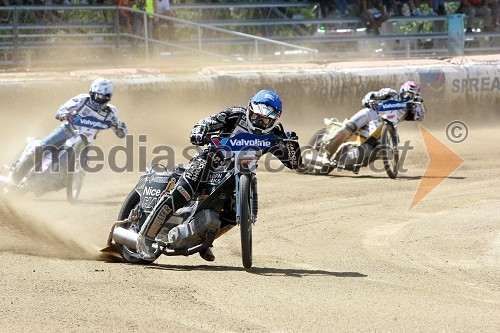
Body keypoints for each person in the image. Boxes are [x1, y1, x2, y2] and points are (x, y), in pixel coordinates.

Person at [136, 89, 302, 261]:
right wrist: (200, 130)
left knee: (233, 214)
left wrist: (292, 145)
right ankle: (145, 238)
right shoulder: (235, 115)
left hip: (241, 174)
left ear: (275, 119)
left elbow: (294, 163)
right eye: (256, 116)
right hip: (210, 161)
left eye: (265, 119)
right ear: (250, 110)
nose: (259, 122)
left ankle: (203, 240)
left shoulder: (276, 133)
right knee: (184, 191)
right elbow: (208, 122)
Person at [10, 78, 127, 185]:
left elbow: (121, 131)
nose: (99, 99)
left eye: (103, 97)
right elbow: (63, 109)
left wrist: (119, 128)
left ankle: (44, 185)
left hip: (85, 144)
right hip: (67, 131)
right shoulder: (82, 99)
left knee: (78, 171)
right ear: (92, 93)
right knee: (41, 148)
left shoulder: (111, 112)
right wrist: (63, 113)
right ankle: (15, 177)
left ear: (108, 97)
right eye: (97, 96)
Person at [321, 80, 427, 165]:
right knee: (348, 128)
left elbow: (421, 116)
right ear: (402, 90)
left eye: (412, 96)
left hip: (386, 126)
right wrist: (368, 100)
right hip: (371, 114)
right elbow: (372, 94)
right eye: (407, 94)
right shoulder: (391, 93)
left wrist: (419, 104)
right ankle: (326, 154)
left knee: (383, 151)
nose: (408, 97)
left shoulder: (410, 109)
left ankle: (356, 159)